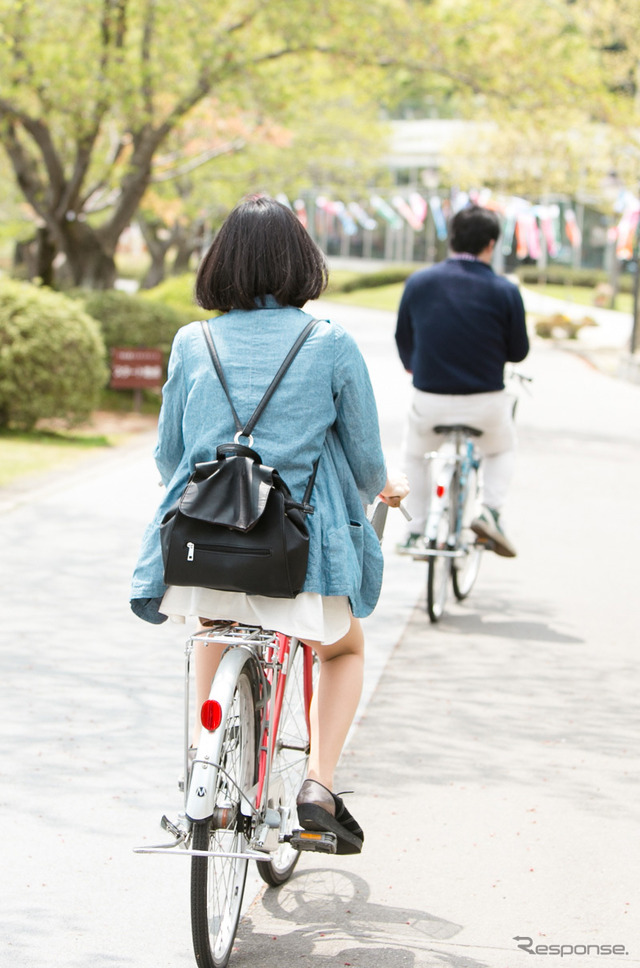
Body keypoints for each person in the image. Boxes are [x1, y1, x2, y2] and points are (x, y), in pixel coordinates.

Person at [130, 194, 408, 854]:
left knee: (211, 631)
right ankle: (319, 784)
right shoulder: (329, 342)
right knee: (343, 648)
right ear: (301, 263)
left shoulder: (191, 341)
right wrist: (386, 488)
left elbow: (170, 455)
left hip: (202, 554)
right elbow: (367, 456)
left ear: (219, 263)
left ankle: (208, 765)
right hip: (297, 557)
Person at [395, 203, 529, 557]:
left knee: (415, 454)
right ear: (491, 244)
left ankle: (416, 529)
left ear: (451, 238)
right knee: (501, 448)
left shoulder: (419, 282)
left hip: (430, 398)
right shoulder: (505, 291)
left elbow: (403, 338)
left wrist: (413, 365)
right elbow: (518, 352)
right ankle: (490, 512)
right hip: (484, 401)